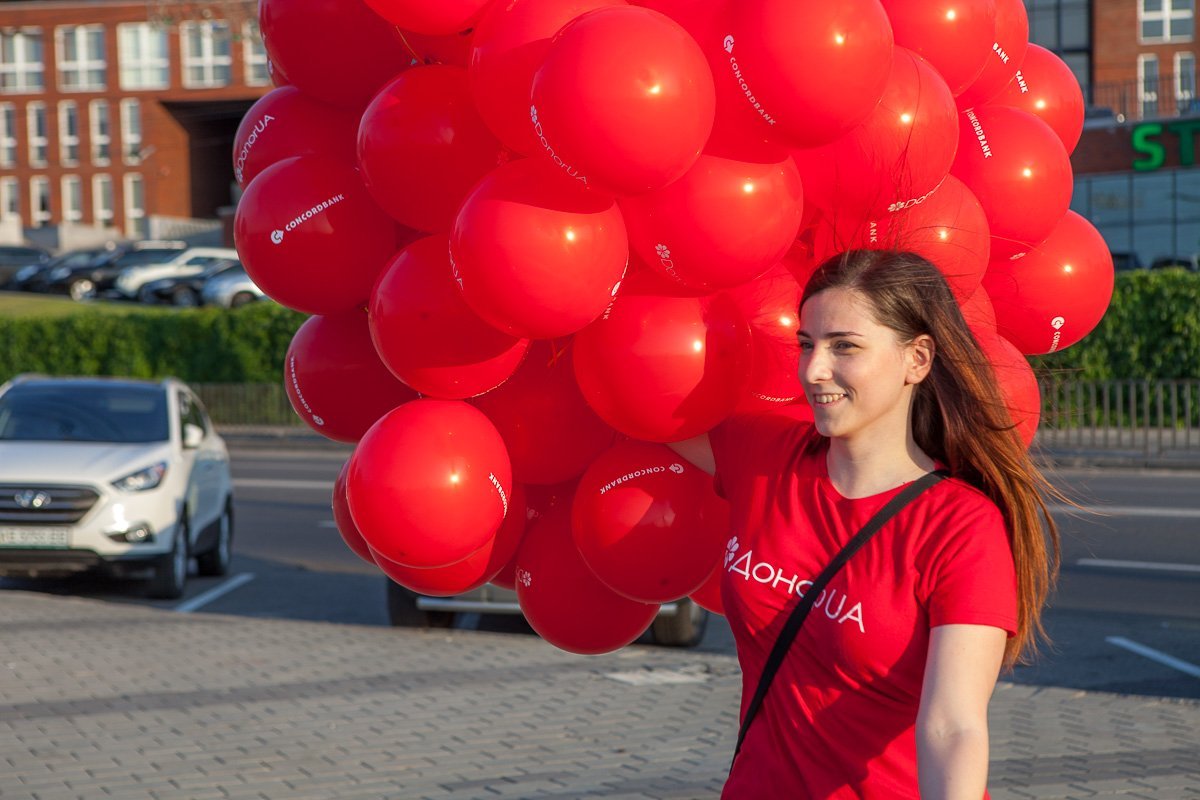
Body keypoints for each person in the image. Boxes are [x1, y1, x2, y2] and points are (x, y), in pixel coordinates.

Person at [668, 249, 1061, 799]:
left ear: (917, 359)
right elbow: (638, 407)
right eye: (807, 344)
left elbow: (953, 726)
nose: (813, 370)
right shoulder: (762, 455)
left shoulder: (961, 526)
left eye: (844, 347)